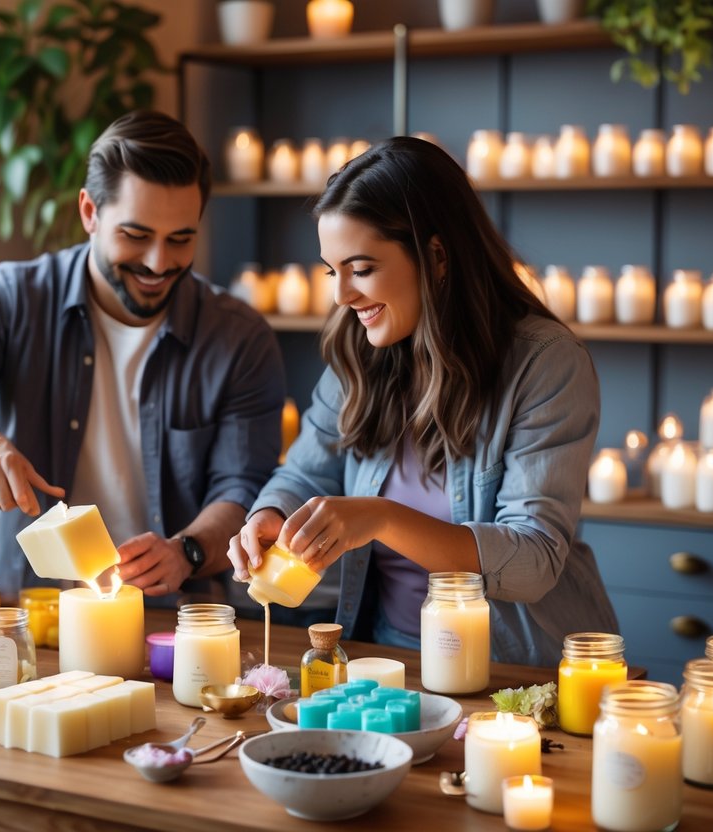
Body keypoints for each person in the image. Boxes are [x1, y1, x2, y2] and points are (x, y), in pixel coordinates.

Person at [0, 110, 286, 601]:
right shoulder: (19, 298)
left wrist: (186, 550)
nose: (158, 262)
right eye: (136, 235)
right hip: (31, 616)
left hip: (176, 623)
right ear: (89, 212)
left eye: (181, 239)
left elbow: (243, 488)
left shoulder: (240, 338)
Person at [227, 136, 617, 667]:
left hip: (514, 671)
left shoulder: (545, 363)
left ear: (436, 256)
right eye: (331, 271)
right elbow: (305, 474)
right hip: (385, 660)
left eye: (361, 269)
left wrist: (384, 518)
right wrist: (270, 516)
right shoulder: (358, 349)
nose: (341, 296)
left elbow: (533, 559)